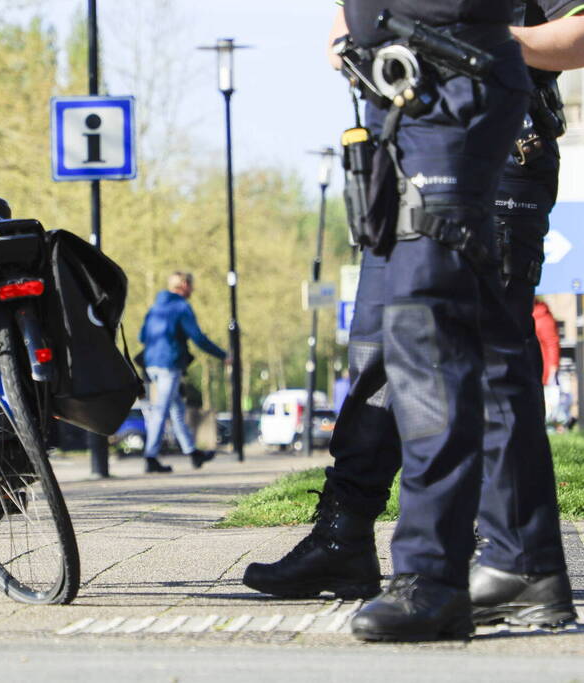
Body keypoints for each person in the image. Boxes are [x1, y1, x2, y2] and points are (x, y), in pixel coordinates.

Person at [244, 2, 577, 642]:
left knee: (435, 347)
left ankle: (435, 574)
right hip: (403, 117)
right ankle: (507, 560)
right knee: (414, 347)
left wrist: (469, 40)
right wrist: (355, 42)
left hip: (470, 112)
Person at [138, 272, 226, 473]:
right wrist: (223, 355)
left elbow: (141, 336)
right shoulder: (181, 307)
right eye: (191, 285)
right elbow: (198, 337)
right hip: (169, 364)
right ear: (184, 285)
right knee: (161, 409)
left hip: (151, 363)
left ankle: (193, 453)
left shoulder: (155, 307)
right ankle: (150, 457)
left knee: (176, 408)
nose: (193, 290)